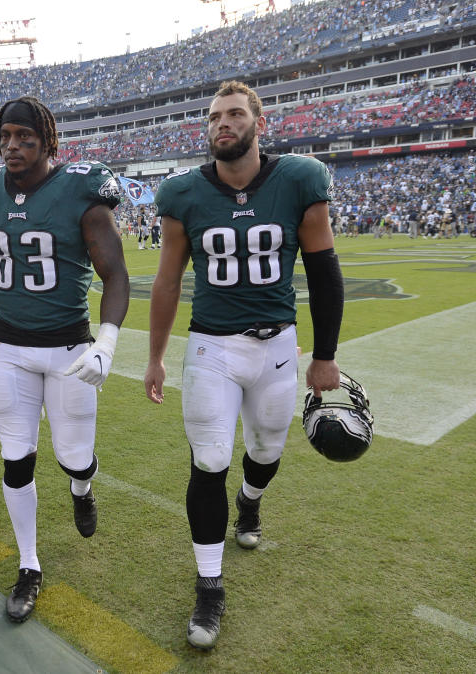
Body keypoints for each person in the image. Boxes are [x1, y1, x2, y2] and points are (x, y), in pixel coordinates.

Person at [143, 81, 343, 650]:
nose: (221, 124)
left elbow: (324, 269)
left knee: (266, 451)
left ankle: (249, 504)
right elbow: (167, 279)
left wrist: (325, 356)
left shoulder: (299, 178)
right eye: (213, 118)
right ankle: (209, 584)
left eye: (234, 114)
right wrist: (155, 357)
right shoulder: (183, 193)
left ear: (259, 121)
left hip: (278, 345)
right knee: (208, 459)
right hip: (212, 347)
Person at [0, 96, 129, 624]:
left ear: (48, 141)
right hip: (10, 350)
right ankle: (29, 564)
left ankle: (83, 486)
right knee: (16, 459)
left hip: (68, 348)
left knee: (72, 456)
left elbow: (116, 274)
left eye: (25, 137)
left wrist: (106, 340)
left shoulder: (80, 190)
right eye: (6, 136)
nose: (13, 146)